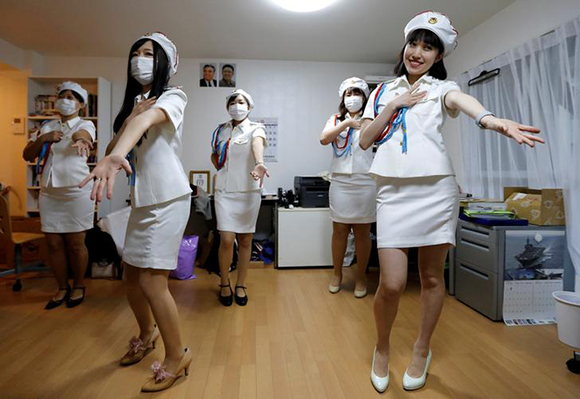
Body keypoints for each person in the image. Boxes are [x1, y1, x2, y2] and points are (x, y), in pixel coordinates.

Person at [358, 11, 544, 393]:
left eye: (429, 47)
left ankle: (421, 349)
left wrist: (493, 120)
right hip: (392, 191)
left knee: (430, 277)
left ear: (438, 57)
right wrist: (394, 105)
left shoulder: (442, 88)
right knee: (391, 283)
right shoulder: (379, 92)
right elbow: (364, 140)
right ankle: (381, 347)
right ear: (405, 46)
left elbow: (464, 101)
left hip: (436, 190)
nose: (418, 52)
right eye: (414, 43)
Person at [80, 32, 192, 393]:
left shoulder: (173, 96)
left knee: (151, 281)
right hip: (142, 200)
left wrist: (121, 145)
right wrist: (118, 141)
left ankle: (177, 356)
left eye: (148, 53)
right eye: (136, 53)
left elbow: (145, 126)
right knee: (131, 276)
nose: (140, 59)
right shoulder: (135, 106)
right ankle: (147, 335)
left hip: (169, 198)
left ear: (164, 62)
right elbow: (119, 142)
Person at [22, 81, 95, 309]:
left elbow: (83, 136)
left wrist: (81, 140)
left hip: (76, 191)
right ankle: (62, 287)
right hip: (49, 191)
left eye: (72, 97)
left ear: (81, 104)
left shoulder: (85, 124)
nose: (66, 100)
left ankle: (79, 285)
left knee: (75, 243)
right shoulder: (46, 126)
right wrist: (43, 138)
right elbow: (27, 155)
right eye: (63, 96)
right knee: (53, 243)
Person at [210, 89, 269, 307]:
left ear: (249, 107)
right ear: (228, 107)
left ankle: (241, 284)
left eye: (242, 102)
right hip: (225, 191)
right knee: (226, 239)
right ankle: (224, 282)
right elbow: (215, 155)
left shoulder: (256, 128)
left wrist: (259, 162)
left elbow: (257, 144)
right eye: (233, 102)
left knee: (245, 241)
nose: (237, 105)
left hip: (248, 192)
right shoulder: (220, 130)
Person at [319, 77, 375, 298]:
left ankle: (361, 276)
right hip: (341, 181)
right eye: (349, 94)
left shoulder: (372, 119)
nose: (353, 98)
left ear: (365, 97)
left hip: (365, 180)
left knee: (362, 232)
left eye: (357, 93)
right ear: (343, 98)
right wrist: (345, 124)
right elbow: (324, 139)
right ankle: (337, 274)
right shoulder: (335, 119)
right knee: (339, 231)